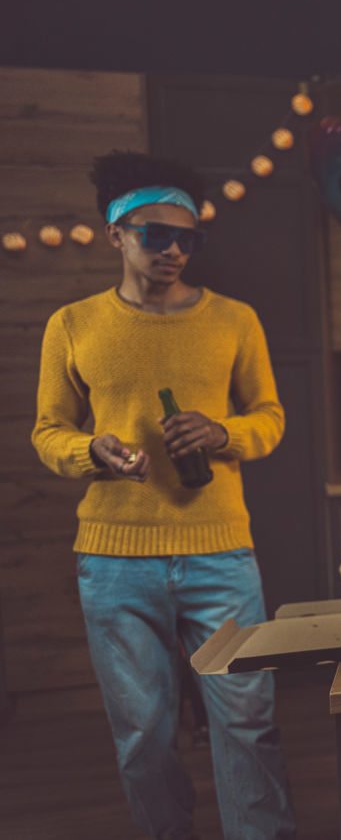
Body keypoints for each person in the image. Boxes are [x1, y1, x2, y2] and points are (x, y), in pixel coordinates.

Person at [31, 152, 295, 839]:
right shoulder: (73, 324)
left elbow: (270, 417)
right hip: (115, 562)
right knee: (143, 736)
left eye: (190, 238)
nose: (175, 249)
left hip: (221, 554)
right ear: (116, 231)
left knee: (246, 722)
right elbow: (48, 430)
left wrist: (222, 432)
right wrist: (91, 450)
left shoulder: (234, 320)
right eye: (157, 234)